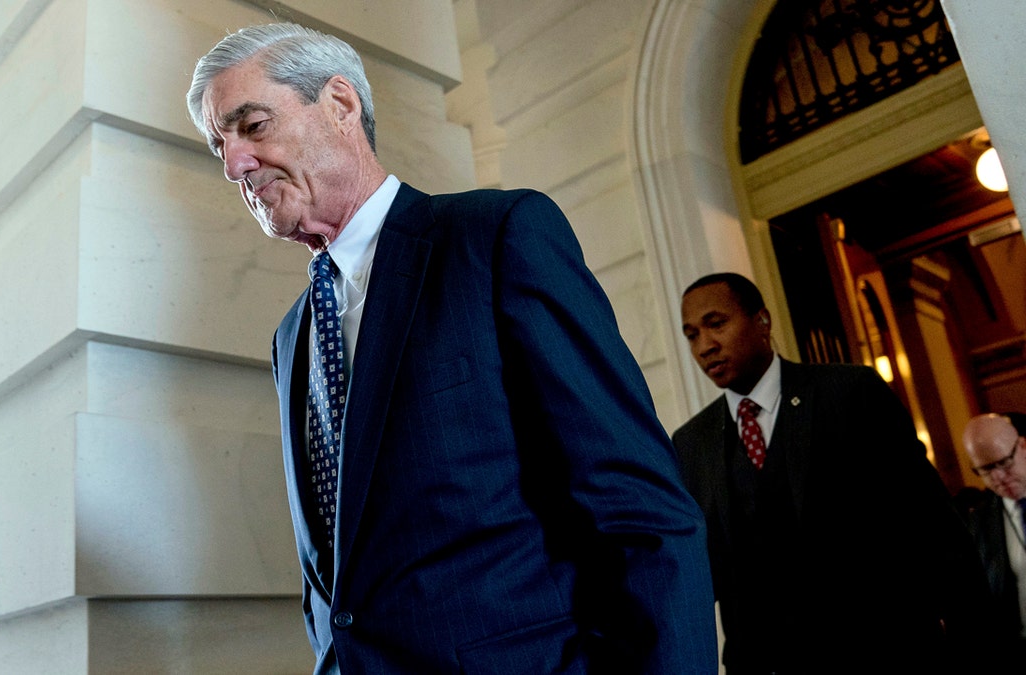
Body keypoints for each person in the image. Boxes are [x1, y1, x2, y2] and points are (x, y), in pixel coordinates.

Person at [185, 22, 717, 675]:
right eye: (220, 143)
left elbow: (643, 513)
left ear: (341, 105)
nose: (234, 162)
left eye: (253, 125)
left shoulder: (496, 238)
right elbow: (333, 578)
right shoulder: (292, 336)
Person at [671, 272, 991, 674]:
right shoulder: (690, 443)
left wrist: (974, 646)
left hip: (885, 652)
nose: (705, 346)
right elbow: (704, 576)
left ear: (762, 321)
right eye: (691, 335)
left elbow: (933, 526)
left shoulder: (851, 393)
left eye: (716, 324)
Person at [959, 412, 1026, 665]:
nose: (998, 478)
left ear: (1022, 447)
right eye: (986, 469)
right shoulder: (977, 525)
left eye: (1003, 463)